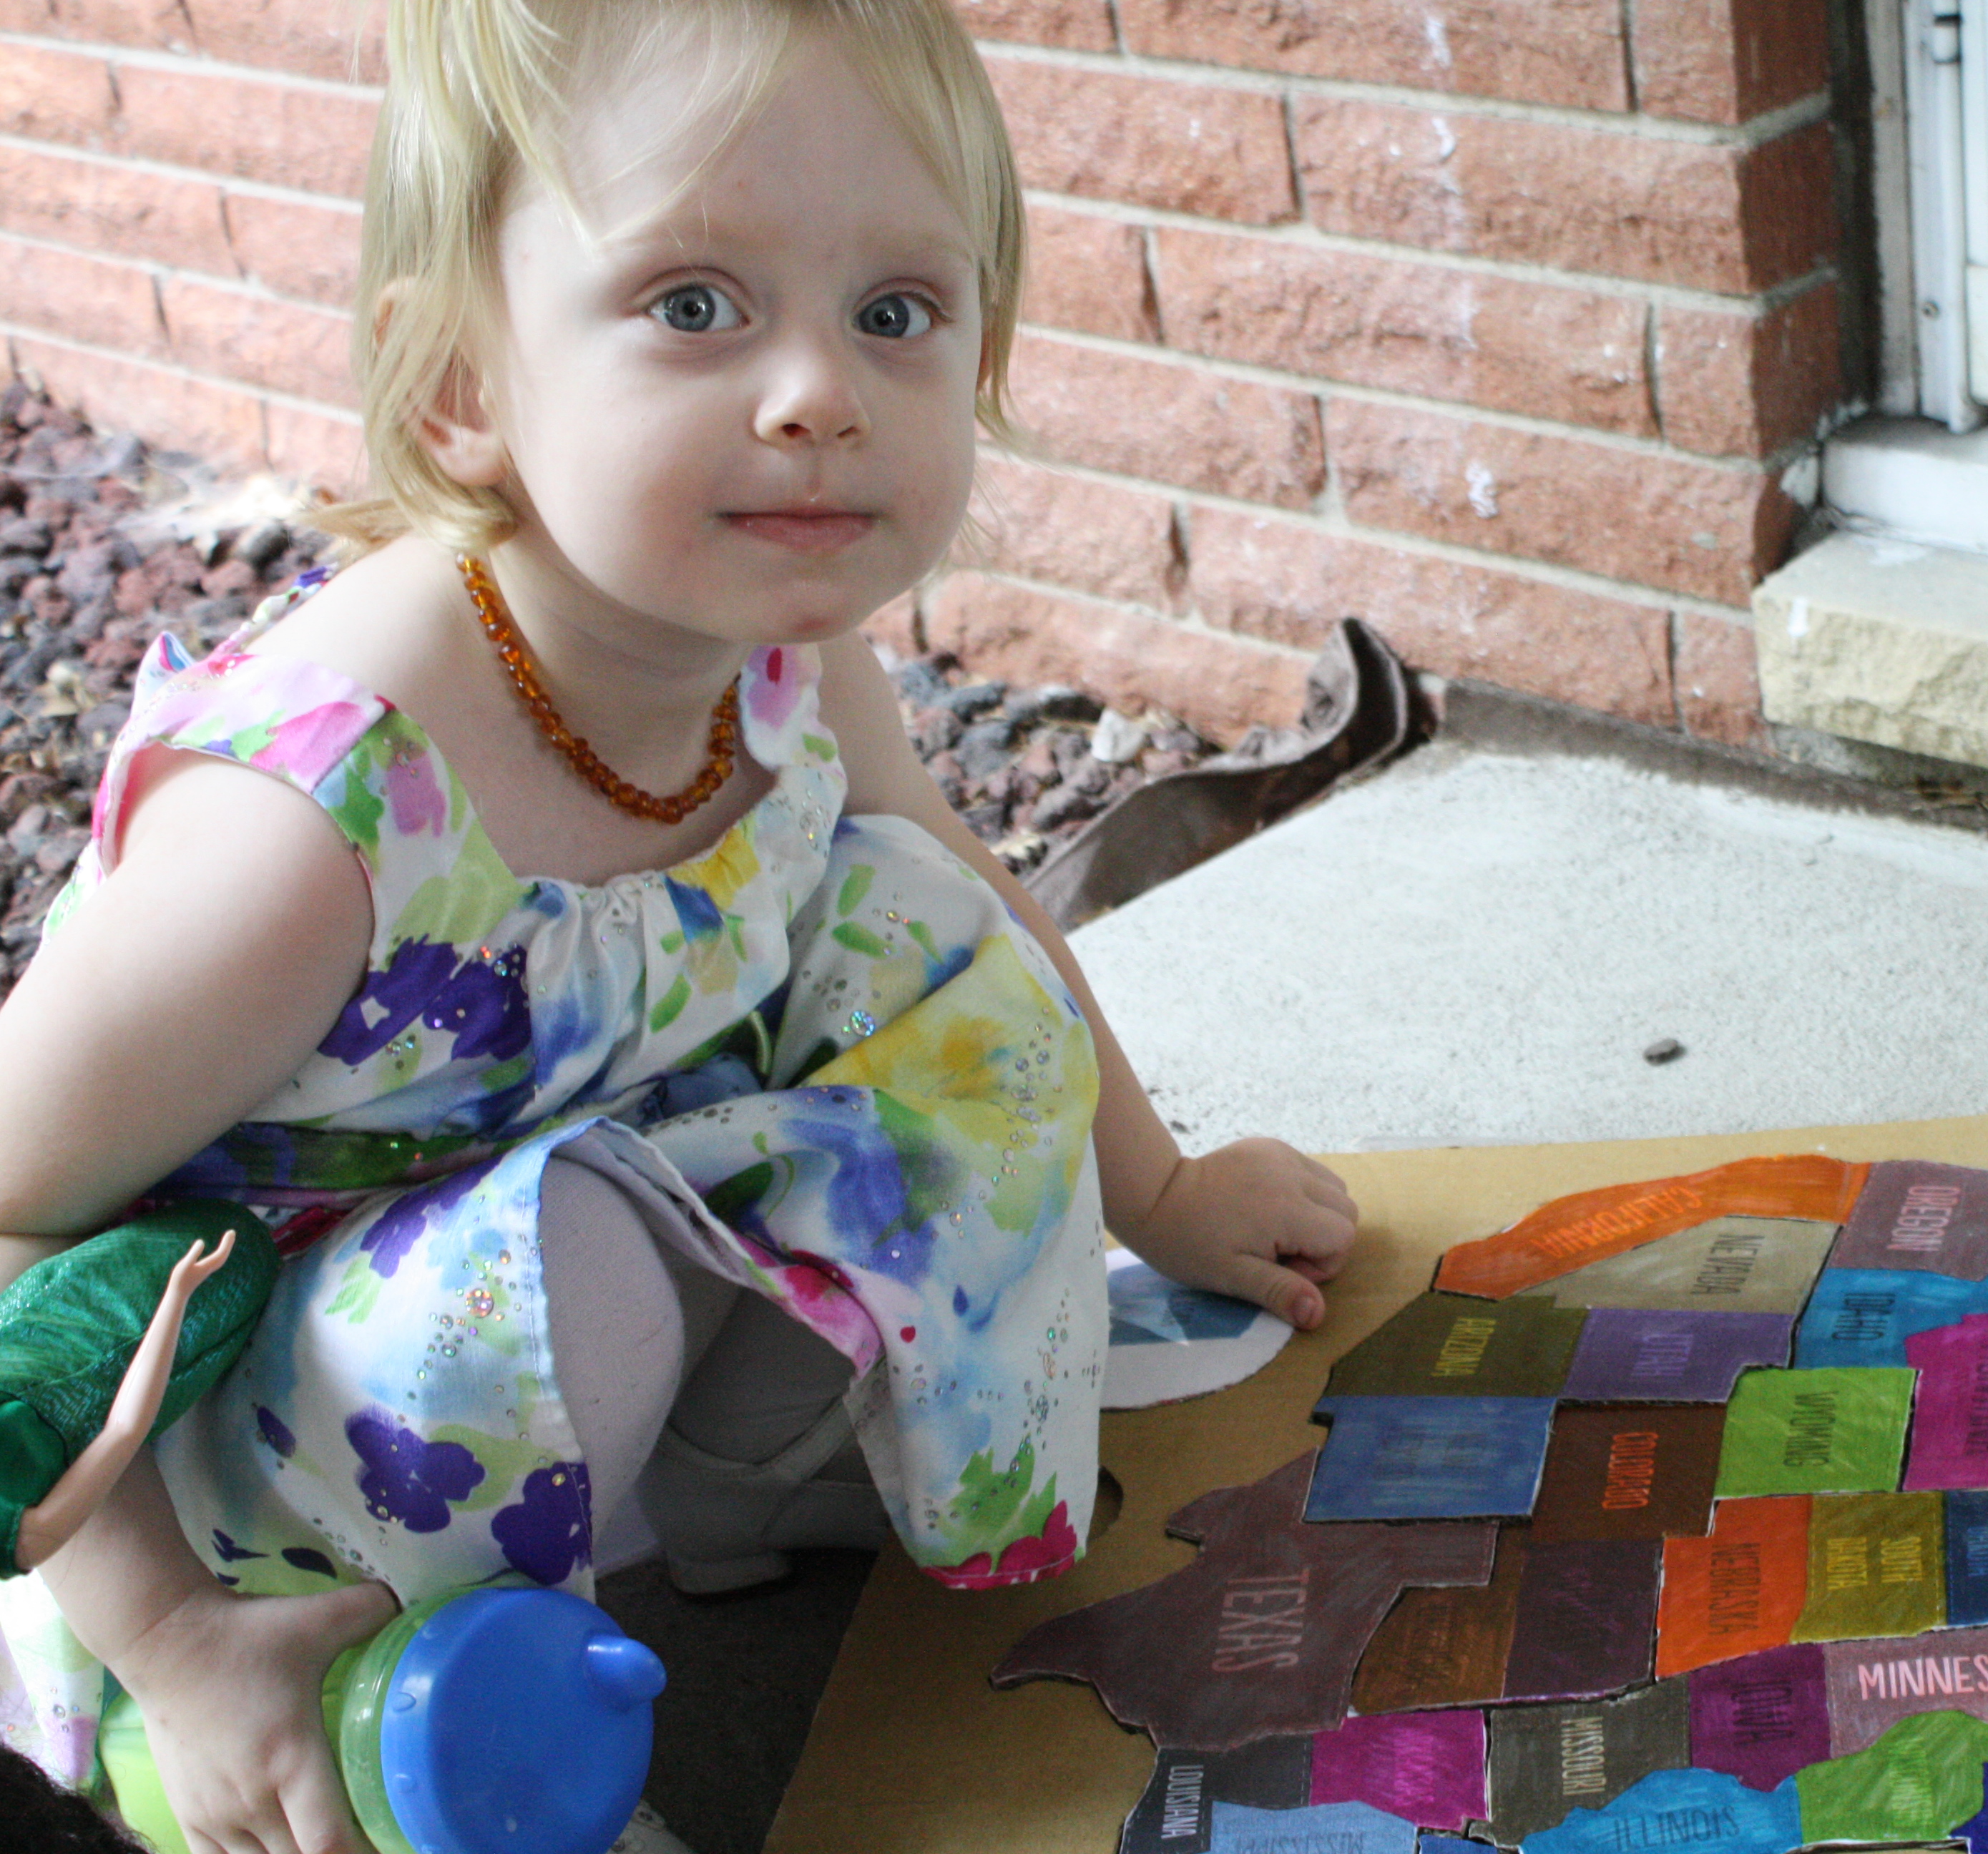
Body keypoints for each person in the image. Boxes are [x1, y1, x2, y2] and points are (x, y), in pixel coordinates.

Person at [0, 1, 1358, 1847]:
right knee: (566, 1256)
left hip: (557, 1242)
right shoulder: (306, 833)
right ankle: (430, 1733)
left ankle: (737, 1491)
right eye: (694, 306)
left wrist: (1168, 1195)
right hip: (245, 1450)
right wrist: (169, 1641)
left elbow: (986, 938)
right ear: (461, 384)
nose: (820, 395)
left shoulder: (784, 657)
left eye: (897, 312)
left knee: (923, 929)